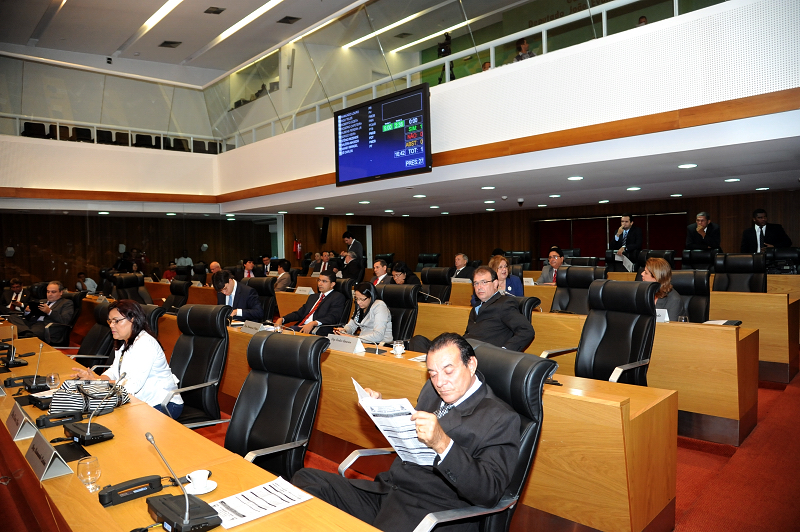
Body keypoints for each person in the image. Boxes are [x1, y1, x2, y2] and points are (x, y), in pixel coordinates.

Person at [292, 333, 519, 532]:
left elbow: (489, 491)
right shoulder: (432, 390)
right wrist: (379, 410)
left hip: (430, 510)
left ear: (471, 365)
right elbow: (411, 434)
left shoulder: (500, 418)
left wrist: (442, 443)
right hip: (389, 491)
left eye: (448, 371)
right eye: (433, 373)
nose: (440, 382)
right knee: (307, 481)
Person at [71, 300, 183, 418]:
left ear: (133, 319)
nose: (111, 325)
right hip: (137, 399)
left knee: (108, 418)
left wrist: (98, 383)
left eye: (116, 321)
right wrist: (97, 378)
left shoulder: (145, 343)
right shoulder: (124, 341)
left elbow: (132, 386)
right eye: (110, 321)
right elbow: (115, 370)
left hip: (163, 403)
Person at [409, 266, 534, 353]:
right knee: (418, 341)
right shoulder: (476, 308)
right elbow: (470, 334)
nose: (479, 287)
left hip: (481, 355)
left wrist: (504, 351)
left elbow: (526, 331)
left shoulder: (504, 304)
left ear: (496, 283)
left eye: (484, 282)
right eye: (476, 283)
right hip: (464, 348)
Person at [275, 271, 345, 335]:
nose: (320, 283)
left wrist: (313, 323)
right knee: (279, 333)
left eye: (324, 281)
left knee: (287, 333)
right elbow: (300, 313)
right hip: (302, 327)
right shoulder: (313, 297)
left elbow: (333, 317)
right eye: (319, 280)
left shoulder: (337, 297)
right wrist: (282, 319)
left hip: (318, 329)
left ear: (332, 284)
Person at [7, 281, 74, 344]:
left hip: (45, 325)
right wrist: (27, 312)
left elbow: (65, 320)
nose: (50, 294)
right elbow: (29, 317)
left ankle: (25, 333)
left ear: (61, 292)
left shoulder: (66, 303)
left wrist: (49, 311)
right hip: (32, 323)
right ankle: (27, 333)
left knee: (20, 332)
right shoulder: (42, 301)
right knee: (12, 317)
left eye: (53, 292)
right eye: (48, 292)